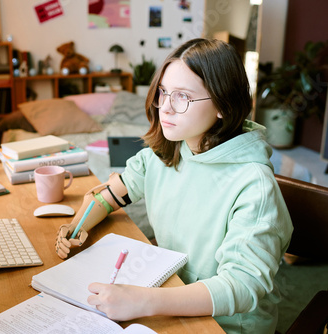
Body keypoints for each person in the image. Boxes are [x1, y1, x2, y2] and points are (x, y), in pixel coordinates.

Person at [55, 38, 293, 334]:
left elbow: (242, 286)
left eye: (182, 96)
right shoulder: (165, 152)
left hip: (226, 324)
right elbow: (112, 195)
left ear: (222, 103)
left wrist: (142, 301)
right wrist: (77, 227)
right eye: (163, 93)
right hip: (169, 292)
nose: (164, 108)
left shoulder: (254, 185)